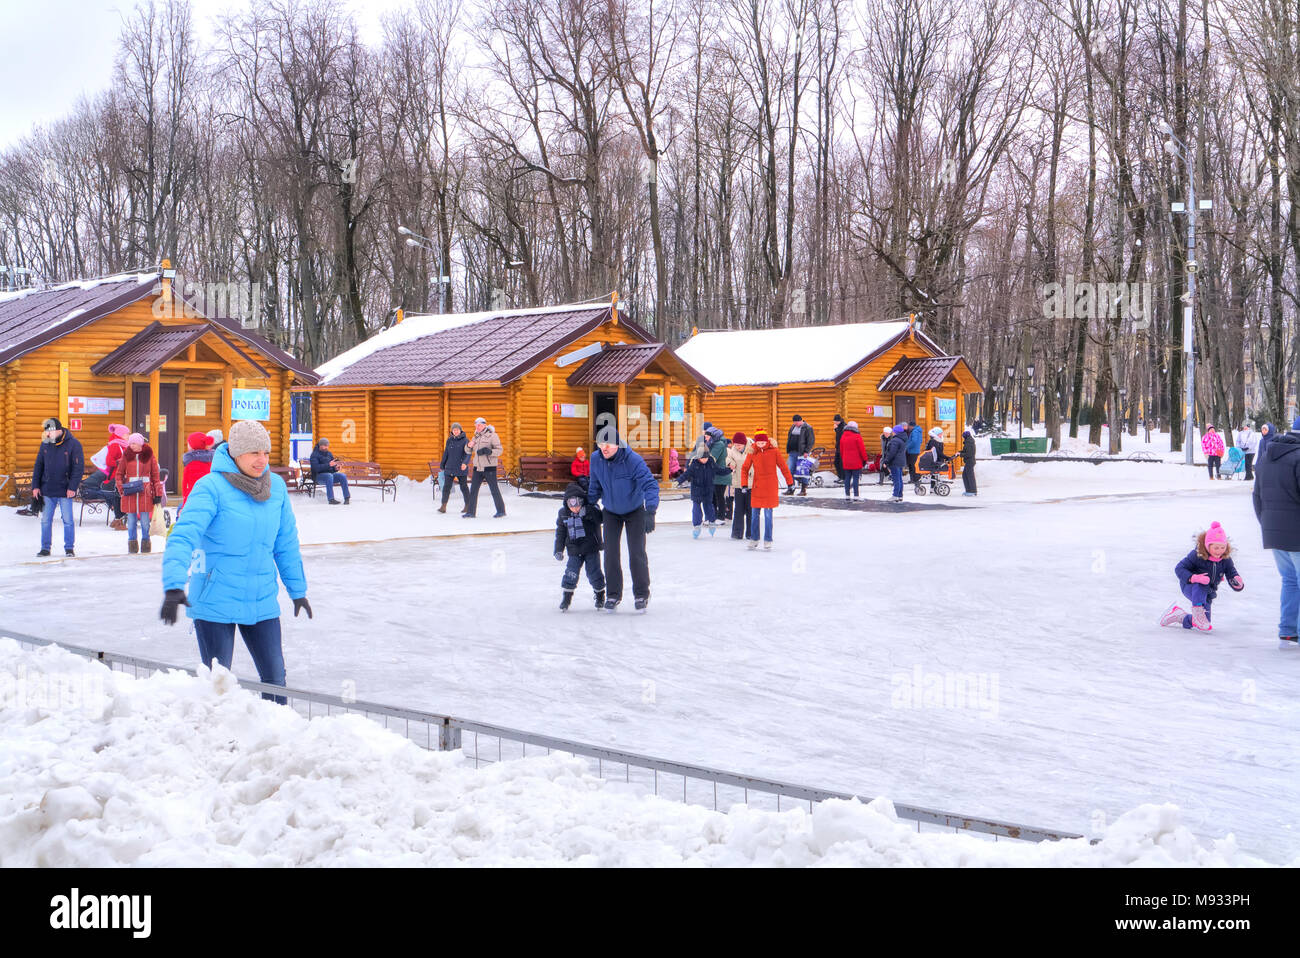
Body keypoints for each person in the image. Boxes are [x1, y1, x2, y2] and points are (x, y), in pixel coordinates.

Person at [160, 420, 310, 703]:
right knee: (218, 685)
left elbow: (285, 543)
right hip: (216, 600)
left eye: (265, 452)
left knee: (276, 681)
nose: (262, 459)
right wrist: (173, 584)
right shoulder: (211, 487)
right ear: (236, 453)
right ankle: (217, 740)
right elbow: (183, 536)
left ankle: (277, 738)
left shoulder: (275, 487)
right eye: (254, 452)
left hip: (262, 598)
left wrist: (297, 590)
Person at [587, 425, 659, 612]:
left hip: (634, 510)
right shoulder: (596, 459)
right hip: (610, 511)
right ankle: (613, 594)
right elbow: (594, 484)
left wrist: (650, 511)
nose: (605, 448)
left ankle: (642, 593)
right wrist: (590, 505)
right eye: (601, 444)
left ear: (618, 444)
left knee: (636, 553)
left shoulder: (632, 460)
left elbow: (650, 485)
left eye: (609, 444)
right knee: (610, 553)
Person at [1252, 416, 1300, 649]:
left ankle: (1288, 630)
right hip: (1296, 533)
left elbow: (1257, 496)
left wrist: (1267, 524)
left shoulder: (1267, 455)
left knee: (1290, 580)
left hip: (1274, 532)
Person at [1158, 522, 1244, 633]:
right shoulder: (1197, 555)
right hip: (1190, 586)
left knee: (1204, 624)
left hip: (1208, 593)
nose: (1219, 551)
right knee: (1203, 581)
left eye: (1222, 547)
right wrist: (1193, 578)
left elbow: (1231, 573)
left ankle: (1178, 616)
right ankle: (1197, 611)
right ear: (1208, 546)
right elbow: (1179, 568)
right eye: (1216, 548)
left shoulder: (1225, 560)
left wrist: (1237, 581)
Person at [32, 417, 84, 558]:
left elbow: (78, 469)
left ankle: (69, 548)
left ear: (59, 430)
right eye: (47, 432)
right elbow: (38, 466)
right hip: (47, 489)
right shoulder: (45, 444)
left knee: (67, 521)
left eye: (50, 431)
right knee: (45, 520)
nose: (48, 434)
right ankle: (45, 548)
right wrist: (35, 486)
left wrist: (72, 487)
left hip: (65, 490)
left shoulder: (74, 444)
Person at [554, 481, 605, 611]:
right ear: (566, 503)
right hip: (574, 550)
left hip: (591, 548)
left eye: (577, 503)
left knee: (594, 573)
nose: (575, 507)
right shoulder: (563, 514)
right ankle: (566, 598)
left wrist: (588, 511)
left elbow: (600, 519)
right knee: (571, 573)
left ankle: (600, 594)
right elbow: (560, 533)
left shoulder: (590, 510)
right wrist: (559, 550)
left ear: (582, 501)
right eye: (571, 504)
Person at [740, 430, 794, 550]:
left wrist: (790, 482)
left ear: (766, 441)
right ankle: (754, 539)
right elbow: (744, 469)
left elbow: (783, 467)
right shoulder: (752, 452)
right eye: (758, 443)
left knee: (768, 515)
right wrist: (744, 484)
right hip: (757, 487)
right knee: (754, 515)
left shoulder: (774, 451)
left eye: (762, 443)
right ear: (755, 442)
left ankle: (768, 539)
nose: (760, 445)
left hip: (770, 487)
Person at [114, 432, 163, 554]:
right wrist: (121, 488)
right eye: (130, 443)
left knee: (145, 522)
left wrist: (158, 493)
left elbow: (156, 476)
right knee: (131, 522)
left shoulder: (149, 456)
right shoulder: (126, 456)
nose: (131, 446)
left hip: (145, 493)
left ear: (140, 443)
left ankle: (146, 545)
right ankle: (132, 545)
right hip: (130, 492)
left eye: (134, 443)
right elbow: (119, 474)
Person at [81, 423, 129, 530]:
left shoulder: (122, 444)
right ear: (120, 435)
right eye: (126, 434)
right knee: (118, 497)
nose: (128, 436)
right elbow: (109, 461)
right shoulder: (115, 445)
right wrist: (119, 462)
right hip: (116, 476)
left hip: (122, 475)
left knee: (119, 496)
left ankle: (118, 520)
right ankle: (118, 521)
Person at [465, 417, 506, 518]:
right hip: (477, 468)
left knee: (494, 490)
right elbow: (467, 451)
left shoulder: (492, 436)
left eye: (479, 425)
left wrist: (489, 451)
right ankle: (470, 512)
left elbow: (500, 450)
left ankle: (501, 511)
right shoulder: (476, 437)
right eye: (476, 425)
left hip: (489, 468)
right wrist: (468, 446)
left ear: (484, 425)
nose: (477, 427)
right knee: (473, 490)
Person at [677, 439, 718, 538]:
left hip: (708, 489)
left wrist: (729, 469)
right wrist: (678, 481)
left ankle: (712, 522)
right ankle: (697, 526)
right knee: (696, 508)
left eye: (706, 458)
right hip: (696, 490)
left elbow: (719, 470)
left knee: (709, 507)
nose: (704, 460)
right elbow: (686, 474)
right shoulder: (694, 464)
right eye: (702, 458)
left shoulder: (711, 462)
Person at [437, 422, 471, 514]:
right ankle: (443, 506)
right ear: (452, 431)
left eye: (457, 430)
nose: (455, 431)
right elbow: (446, 453)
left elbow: (468, 453)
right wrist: (442, 465)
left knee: (464, 487)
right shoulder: (449, 440)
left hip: (461, 467)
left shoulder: (465, 440)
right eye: (454, 430)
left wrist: (465, 463)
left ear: (460, 430)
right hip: (450, 467)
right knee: (446, 487)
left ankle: (468, 506)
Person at [727, 432, 753, 540]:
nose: (737, 447)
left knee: (750, 509)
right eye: (736, 445)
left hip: (751, 483)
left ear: (744, 444)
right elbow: (727, 458)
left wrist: (752, 471)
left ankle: (751, 533)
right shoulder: (733, 450)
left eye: (739, 445)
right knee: (738, 509)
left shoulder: (752, 449)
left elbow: (756, 462)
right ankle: (737, 533)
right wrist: (730, 463)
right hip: (738, 483)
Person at [181, 431, 216, 513]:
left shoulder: (190, 464)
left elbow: (186, 485)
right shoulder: (213, 461)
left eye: (189, 443)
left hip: (194, 499)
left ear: (193, 446)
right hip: (210, 498)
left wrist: (184, 504)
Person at [309, 438, 351, 505]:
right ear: (320, 445)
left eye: (327, 445)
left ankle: (347, 498)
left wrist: (335, 468)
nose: (326, 447)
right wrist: (328, 465)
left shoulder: (329, 454)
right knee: (329, 476)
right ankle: (331, 499)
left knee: (342, 476)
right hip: (318, 476)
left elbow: (331, 467)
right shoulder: (314, 455)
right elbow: (316, 468)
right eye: (325, 445)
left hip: (329, 476)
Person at [784, 414, 815, 496]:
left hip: (802, 453)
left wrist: (806, 451)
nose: (796, 424)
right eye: (794, 422)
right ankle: (791, 488)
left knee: (803, 471)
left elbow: (811, 441)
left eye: (797, 422)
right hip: (792, 452)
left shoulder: (808, 428)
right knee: (790, 471)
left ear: (801, 420)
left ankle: (803, 489)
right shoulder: (792, 427)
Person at [707, 425, 730, 524]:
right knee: (713, 496)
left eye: (707, 436)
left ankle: (720, 517)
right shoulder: (712, 443)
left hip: (720, 475)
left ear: (712, 436)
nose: (705, 438)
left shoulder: (718, 444)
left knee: (719, 496)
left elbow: (711, 458)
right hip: (714, 474)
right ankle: (713, 516)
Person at [839, 420, 867, 498]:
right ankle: (856, 495)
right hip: (856, 461)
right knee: (855, 478)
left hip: (846, 461)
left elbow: (841, 450)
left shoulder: (843, 436)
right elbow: (862, 450)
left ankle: (847, 495)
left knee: (847, 478)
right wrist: (865, 459)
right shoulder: (857, 436)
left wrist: (843, 458)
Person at [885, 424, 908, 502]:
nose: (892, 432)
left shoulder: (895, 440)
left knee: (896, 479)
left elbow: (891, 452)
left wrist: (886, 461)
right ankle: (900, 495)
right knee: (899, 479)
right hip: (901, 461)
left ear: (895, 432)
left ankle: (895, 495)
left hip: (895, 462)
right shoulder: (902, 439)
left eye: (893, 431)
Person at [961, 425, 977, 496]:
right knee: (965, 475)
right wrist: (960, 452)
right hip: (969, 461)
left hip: (970, 461)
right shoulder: (968, 442)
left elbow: (968, 453)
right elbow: (966, 451)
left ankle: (972, 491)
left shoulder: (969, 443)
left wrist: (961, 454)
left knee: (969, 476)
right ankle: (969, 490)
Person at [906, 420, 923, 485]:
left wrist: (907, 447)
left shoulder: (914, 431)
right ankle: (915, 479)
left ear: (911, 426)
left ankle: (915, 479)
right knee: (914, 465)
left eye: (909, 426)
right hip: (916, 450)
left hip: (912, 451)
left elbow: (914, 441)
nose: (908, 427)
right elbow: (920, 441)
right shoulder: (918, 431)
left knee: (912, 465)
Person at [832, 414, 847, 482]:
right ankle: (840, 476)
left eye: (835, 421)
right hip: (838, 447)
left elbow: (841, 436)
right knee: (836, 462)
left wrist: (836, 429)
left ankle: (843, 478)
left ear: (838, 421)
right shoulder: (839, 426)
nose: (834, 423)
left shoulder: (844, 426)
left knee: (841, 463)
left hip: (843, 448)